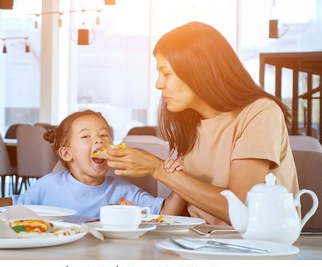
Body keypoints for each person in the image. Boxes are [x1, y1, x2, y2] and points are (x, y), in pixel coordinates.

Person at [107, 21, 299, 225]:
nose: (158, 83)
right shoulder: (189, 122)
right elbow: (187, 208)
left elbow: (240, 209)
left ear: (197, 70)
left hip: (251, 248)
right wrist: (143, 216)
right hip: (196, 243)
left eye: (166, 73)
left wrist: (157, 169)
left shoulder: (260, 112)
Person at [16, 110, 184, 218]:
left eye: (104, 135)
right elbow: (14, 207)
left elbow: (166, 213)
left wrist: (182, 180)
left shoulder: (124, 191)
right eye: (86, 136)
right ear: (67, 153)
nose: (99, 140)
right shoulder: (48, 185)